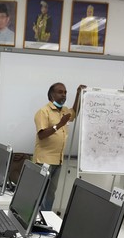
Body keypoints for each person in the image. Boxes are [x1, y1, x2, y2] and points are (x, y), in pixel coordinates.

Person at [34, 82, 86, 211]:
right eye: (60, 92)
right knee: (40, 192)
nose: (64, 95)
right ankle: (35, 218)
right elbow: (41, 135)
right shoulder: (43, 111)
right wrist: (59, 125)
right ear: (52, 94)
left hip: (58, 160)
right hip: (44, 160)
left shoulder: (64, 110)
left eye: (65, 92)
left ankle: (46, 217)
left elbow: (74, 112)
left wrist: (78, 94)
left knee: (51, 193)